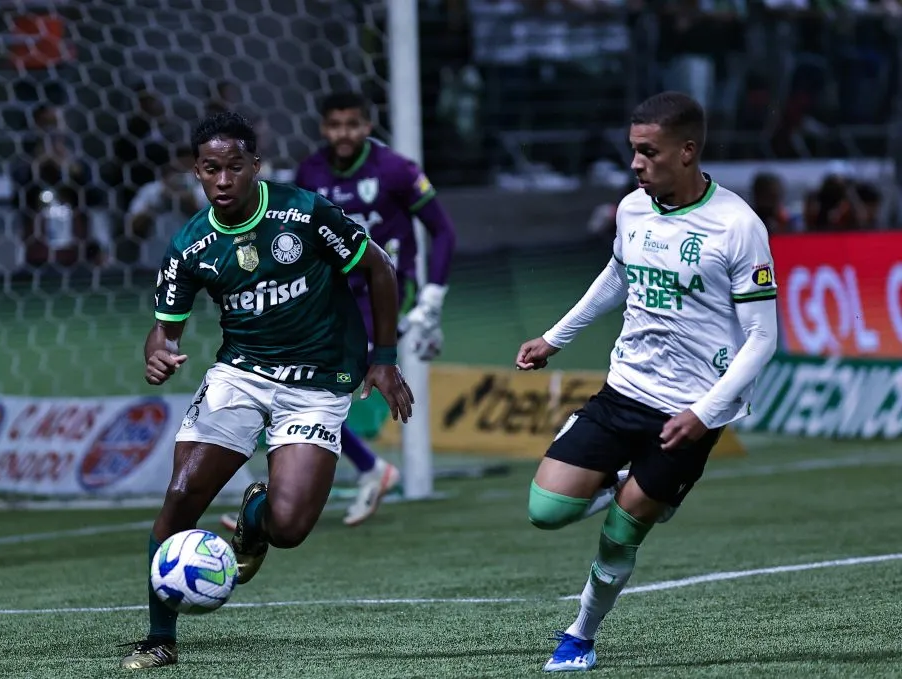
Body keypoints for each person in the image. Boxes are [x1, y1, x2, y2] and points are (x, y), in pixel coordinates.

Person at [120, 111, 414, 670]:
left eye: (235, 167)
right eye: (211, 169)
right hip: (241, 376)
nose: (224, 180)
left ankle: (255, 519)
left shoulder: (303, 213)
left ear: (256, 166)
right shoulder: (190, 246)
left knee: (291, 528)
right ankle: (160, 638)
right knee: (181, 495)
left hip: (318, 383)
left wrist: (384, 359)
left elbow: (380, 269)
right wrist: (156, 352)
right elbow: (165, 328)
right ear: (196, 173)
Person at [515, 91, 778, 672]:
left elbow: (763, 338)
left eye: (647, 152)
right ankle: (626, 484)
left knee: (620, 535)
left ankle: (580, 634)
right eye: (633, 151)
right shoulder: (633, 209)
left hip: (688, 411)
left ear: (686, 152)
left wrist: (706, 413)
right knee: (545, 510)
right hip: (624, 389)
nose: (636, 164)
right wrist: (556, 337)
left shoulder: (737, 226)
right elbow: (617, 275)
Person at [293, 90, 457, 526]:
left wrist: (432, 297)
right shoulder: (309, 172)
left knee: (315, 389)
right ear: (323, 127)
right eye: (334, 125)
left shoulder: (395, 170)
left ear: (368, 126)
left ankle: (300, 490)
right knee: (295, 387)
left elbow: (443, 231)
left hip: (384, 296)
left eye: (352, 124)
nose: (343, 133)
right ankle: (369, 469)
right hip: (328, 297)